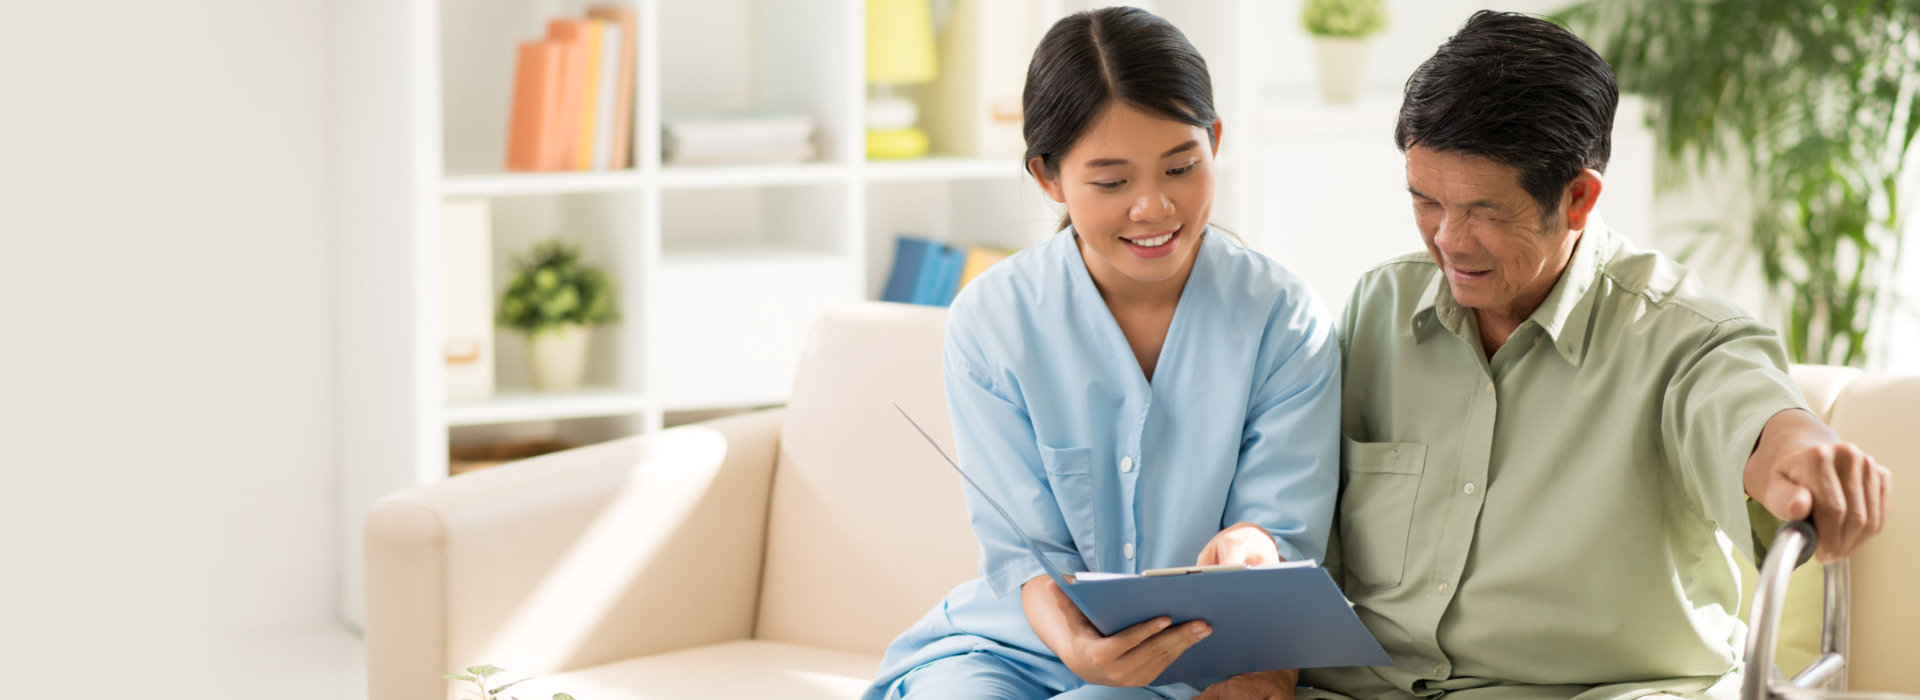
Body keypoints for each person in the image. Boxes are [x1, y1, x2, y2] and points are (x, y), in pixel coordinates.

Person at [1210, 11, 1895, 700]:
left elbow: (1748, 408)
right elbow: (1297, 514)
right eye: (1424, 200)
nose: (1448, 239)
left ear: (1577, 198)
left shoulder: (1678, 331)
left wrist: (1799, 446)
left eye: (1483, 210)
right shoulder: (1381, 308)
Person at [863, 6, 1343, 700]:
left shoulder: (1282, 319)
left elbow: (1279, 528)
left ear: (1213, 141)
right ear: (1048, 177)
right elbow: (1025, 558)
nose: (1153, 207)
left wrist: (1253, 548)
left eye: (1181, 166)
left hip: (1193, 657)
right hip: (1014, 644)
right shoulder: (991, 320)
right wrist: (1079, 649)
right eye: (1112, 182)